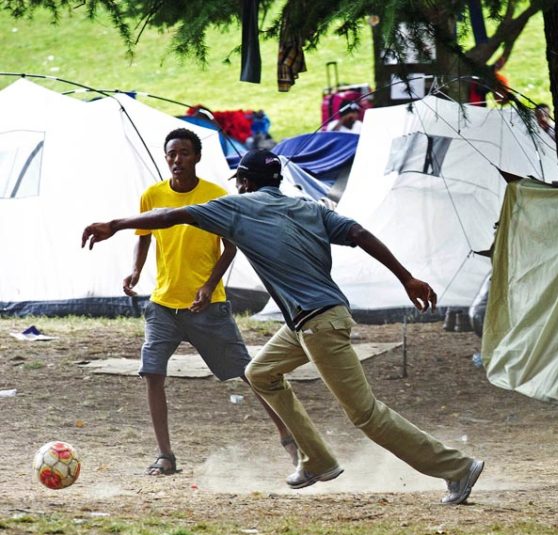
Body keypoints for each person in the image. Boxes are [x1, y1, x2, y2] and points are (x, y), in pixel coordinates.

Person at [83, 150, 485, 503]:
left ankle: (457, 468)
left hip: (319, 325)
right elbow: (359, 233)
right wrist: (406, 278)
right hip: (308, 322)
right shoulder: (311, 207)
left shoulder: (237, 207)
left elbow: (171, 215)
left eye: (238, 181)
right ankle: (318, 460)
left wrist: (114, 224)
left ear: (243, 182)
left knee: (366, 414)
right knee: (260, 373)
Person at [125, 129, 296, 476]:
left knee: (250, 374)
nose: (177, 160)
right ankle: (165, 456)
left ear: (197, 157)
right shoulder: (151, 196)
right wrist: (135, 271)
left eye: (185, 153)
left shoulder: (216, 197)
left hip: (208, 307)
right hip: (163, 305)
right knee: (152, 373)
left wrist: (208, 284)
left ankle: (291, 441)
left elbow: (230, 247)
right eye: (172, 153)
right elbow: (143, 236)